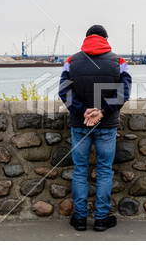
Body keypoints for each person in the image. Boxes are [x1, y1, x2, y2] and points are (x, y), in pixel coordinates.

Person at [58, 25, 132, 231]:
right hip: (106, 124)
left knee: (80, 171)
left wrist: (83, 111)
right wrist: (102, 112)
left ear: (86, 39)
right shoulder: (119, 61)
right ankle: (100, 219)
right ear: (105, 39)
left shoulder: (71, 62)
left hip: (80, 124)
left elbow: (64, 91)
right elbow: (124, 91)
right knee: (105, 170)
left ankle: (80, 219)